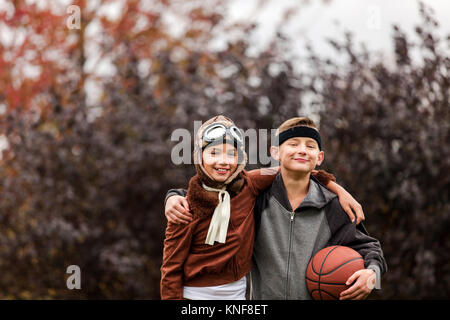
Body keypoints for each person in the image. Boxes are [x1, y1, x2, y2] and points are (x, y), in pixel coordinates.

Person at [162, 115, 369, 300]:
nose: (223, 161)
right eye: (214, 153)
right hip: (195, 296)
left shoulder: (249, 185)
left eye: (231, 154)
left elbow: (294, 169)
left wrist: (338, 189)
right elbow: (170, 269)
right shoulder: (184, 207)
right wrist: (172, 197)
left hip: (239, 294)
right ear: (199, 157)